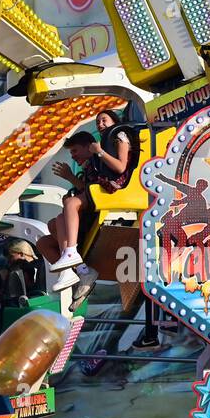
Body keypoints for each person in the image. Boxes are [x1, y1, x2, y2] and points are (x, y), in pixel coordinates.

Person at [39, 112, 134, 291]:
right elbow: (87, 188)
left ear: (86, 147)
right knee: (48, 235)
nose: (100, 123)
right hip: (97, 198)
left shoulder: (116, 140)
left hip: (110, 196)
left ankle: (71, 254)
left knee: (70, 205)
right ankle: (77, 271)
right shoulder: (94, 161)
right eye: (97, 121)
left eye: (75, 151)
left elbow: (119, 169)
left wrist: (98, 153)